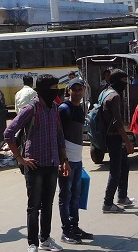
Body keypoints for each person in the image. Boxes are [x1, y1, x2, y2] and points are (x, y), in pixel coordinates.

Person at [3, 74, 69, 252]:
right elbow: (8, 133)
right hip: (34, 165)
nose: (56, 92)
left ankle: (45, 239)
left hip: (52, 163)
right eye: (53, 89)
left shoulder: (54, 108)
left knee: (48, 204)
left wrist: (64, 160)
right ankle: (32, 243)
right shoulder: (30, 109)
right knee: (34, 207)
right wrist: (20, 158)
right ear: (42, 91)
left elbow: (60, 136)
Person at [57, 78, 93, 245]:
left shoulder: (80, 108)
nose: (78, 92)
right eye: (75, 89)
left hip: (77, 160)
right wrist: (63, 160)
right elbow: (58, 136)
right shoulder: (64, 109)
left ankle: (75, 227)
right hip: (67, 161)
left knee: (75, 196)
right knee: (66, 196)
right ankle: (66, 231)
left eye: (80, 89)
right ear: (68, 91)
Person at [101, 69, 135, 213]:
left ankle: (122, 196)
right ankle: (108, 203)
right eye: (123, 81)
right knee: (115, 169)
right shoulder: (115, 96)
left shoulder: (105, 92)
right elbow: (117, 121)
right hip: (114, 136)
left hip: (108, 135)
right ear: (117, 81)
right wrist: (127, 141)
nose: (126, 84)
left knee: (124, 164)